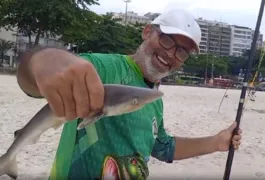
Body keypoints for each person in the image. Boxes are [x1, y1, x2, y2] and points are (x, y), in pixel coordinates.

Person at [17, 8, 242, 179]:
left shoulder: (154, 100)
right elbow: (33, 83)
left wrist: (216, 142)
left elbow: (163, 148)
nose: (171, 54)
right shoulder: (102, 68)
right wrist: (40, 61)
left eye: (182, 52)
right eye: (166, 40)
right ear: (147, 32)